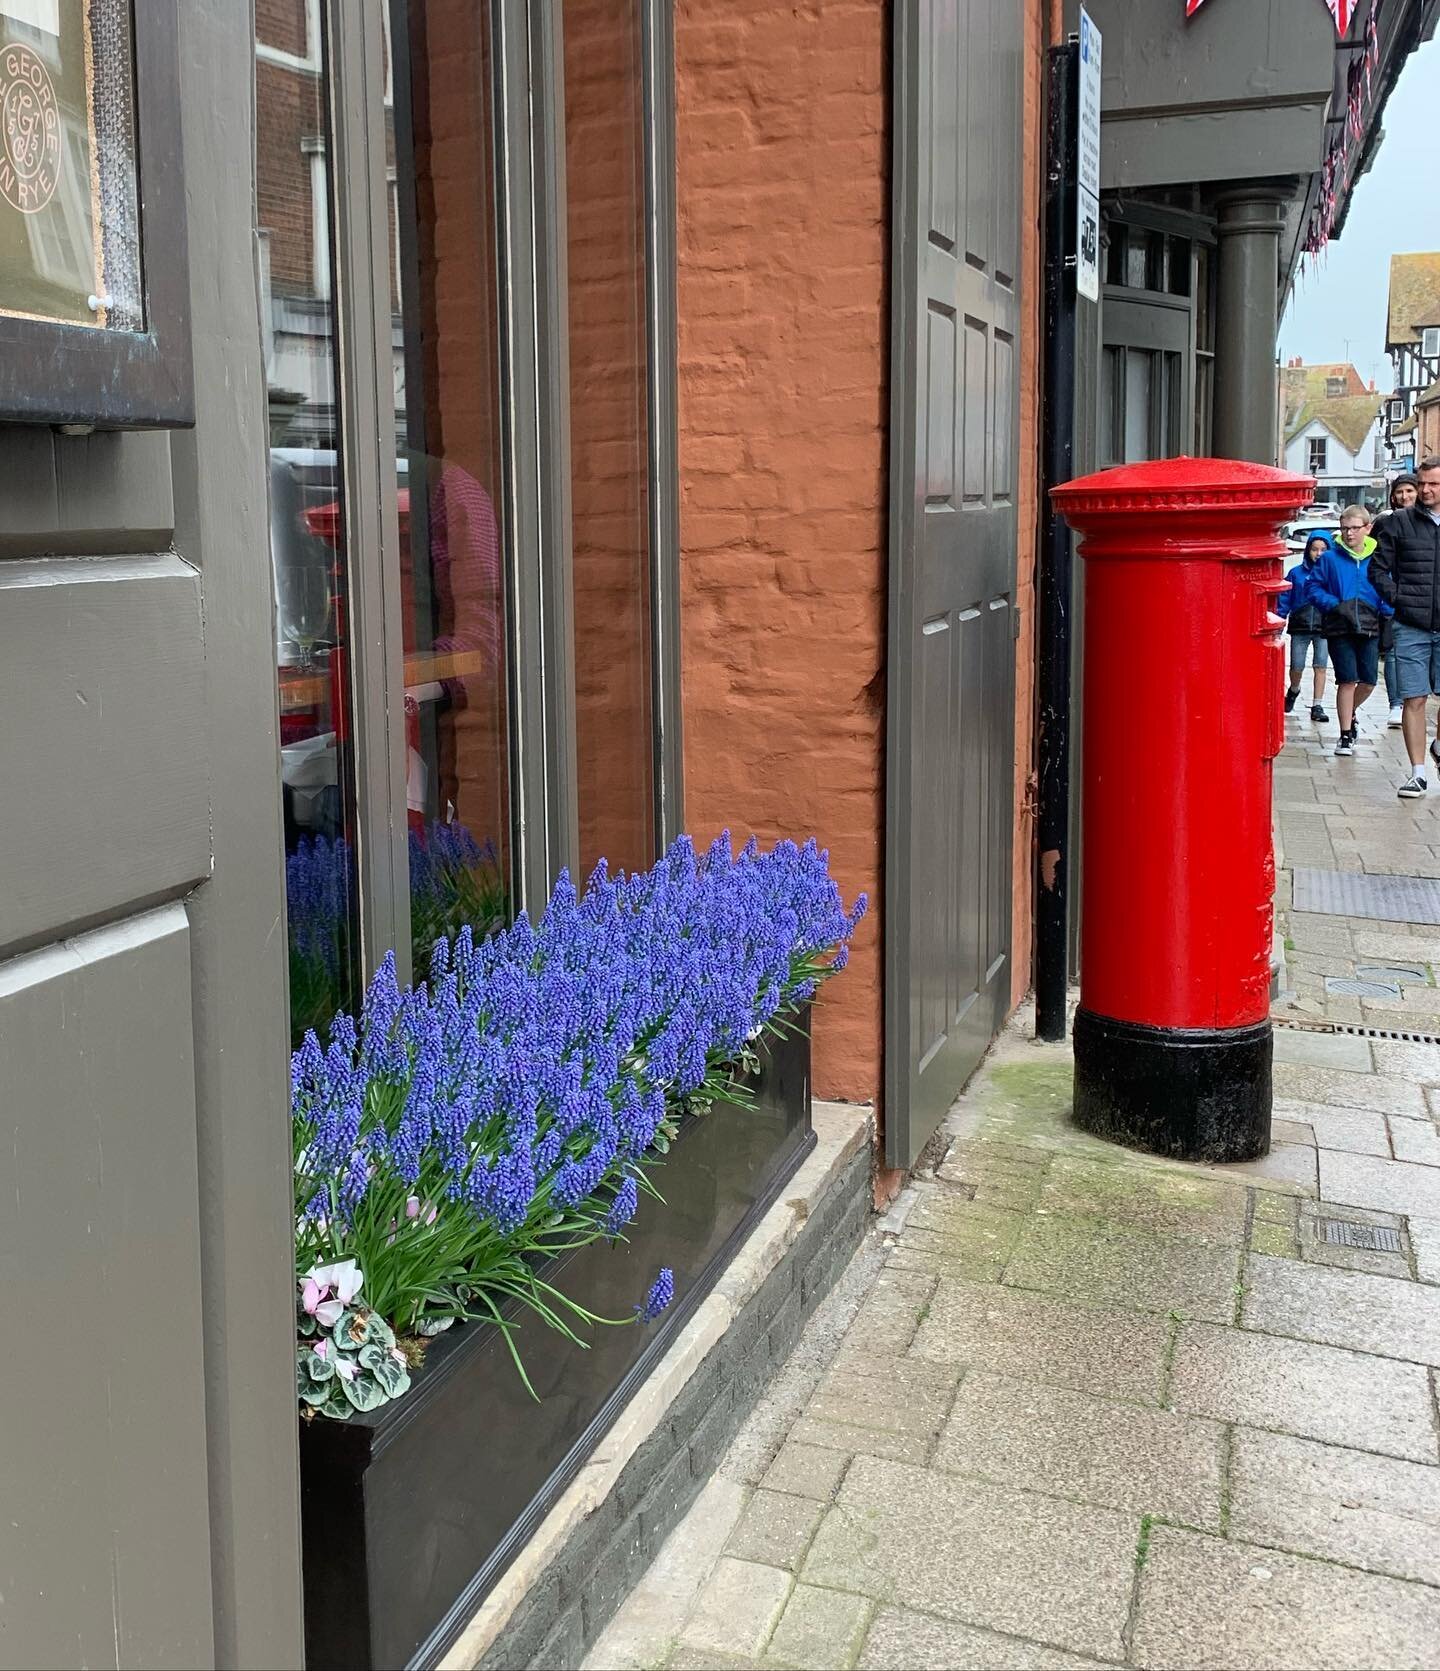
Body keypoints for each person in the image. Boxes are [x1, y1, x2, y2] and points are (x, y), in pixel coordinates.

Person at [1371, 456, 1440, 799]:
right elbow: (1377, 570)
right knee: (1414, 697)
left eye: (1433, 484)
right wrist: (1399, 600)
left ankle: (1437, 746)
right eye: (1423, 483)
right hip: (1410, 624)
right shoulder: (1397, 523)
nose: (1425, 490)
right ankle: (1417, 773)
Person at [1310, 504, 1391, 757]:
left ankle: (1350, 712)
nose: (1348, 534)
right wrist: (1334, 605)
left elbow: (1388, 586)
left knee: (1368, 681)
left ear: (1368, 528)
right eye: (1344, 528)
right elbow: (1313, 588)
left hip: (1369, 624)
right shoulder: (1330, 558)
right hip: (1339, 625)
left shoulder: (1378, 557)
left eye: (1354, 528)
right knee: (1347, 680)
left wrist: (1386, 608)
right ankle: (1345, 735)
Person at [1279, 532, 1331, 723]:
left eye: (1323, 550)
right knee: (1297, 665)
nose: (1318, 554)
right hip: (1300, 625)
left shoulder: (1330, 573)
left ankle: (1317, 704)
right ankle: (1294, 689)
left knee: (1321, 665)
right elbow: (1285, 598)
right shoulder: (1296, 573)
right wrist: (1280, 617)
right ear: (1308, 550)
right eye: (1315, 549)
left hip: (1323, 625)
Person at [1380, 473, 1419, 727]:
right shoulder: (1387, 522)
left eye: (1409, 491)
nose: (1404, 496)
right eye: (1400, 492)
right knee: (1393, 653)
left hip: (1424, 600)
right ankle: (1396, 703)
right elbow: (1375, 563)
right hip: (1395, 600)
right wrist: (1391, 594)